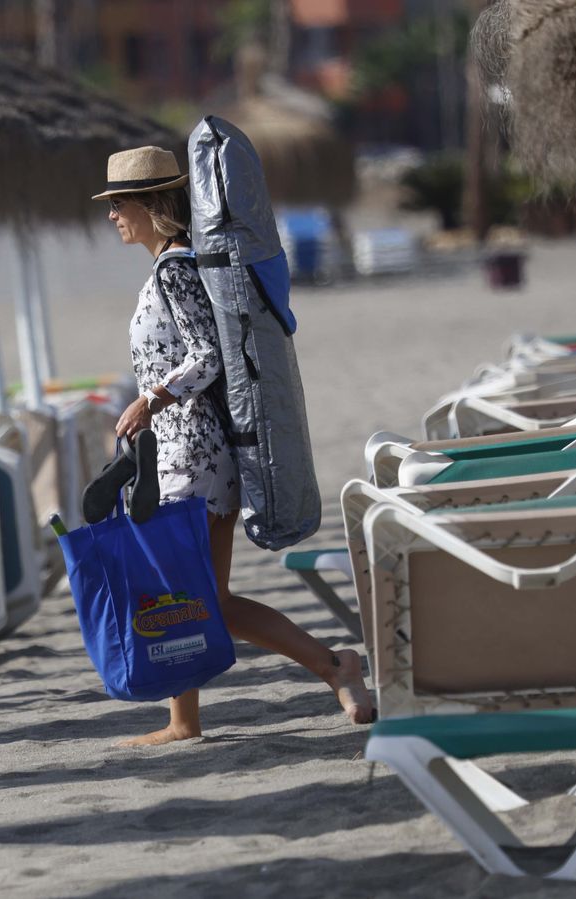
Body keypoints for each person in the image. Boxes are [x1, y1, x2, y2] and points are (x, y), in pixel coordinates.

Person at [94, 146, 375, 746]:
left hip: (193, 455)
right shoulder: (171, 267)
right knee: (199, 597)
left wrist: (151, 400)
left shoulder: (174, 269)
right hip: (187, 452)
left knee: (193, 596)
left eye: (119, 203)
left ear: (151, 205)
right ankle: (190, 717)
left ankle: (330, 667)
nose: (112, 214)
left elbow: (209, 357)